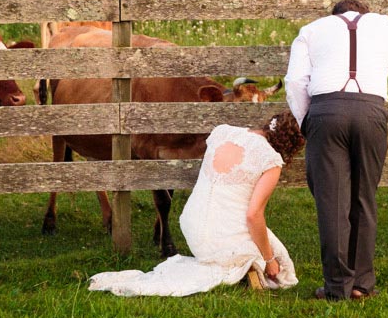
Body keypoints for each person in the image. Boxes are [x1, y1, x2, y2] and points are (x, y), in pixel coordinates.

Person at [285, 0, 388, 301]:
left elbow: (295, 81)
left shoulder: (311, 29)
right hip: (371, 111)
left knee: (331, 202)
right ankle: (362, 283)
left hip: (325, 110)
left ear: (334, 15)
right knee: (364, 197)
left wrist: (307, 120)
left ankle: (337, 287)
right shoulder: (384, 24)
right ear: (364, 13)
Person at [87, 110, 305, 296]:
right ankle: (248, 265)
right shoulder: (271, 161)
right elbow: (253, 215)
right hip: (219, 237)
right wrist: (269, 260)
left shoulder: (223, 132)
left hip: (190, 223)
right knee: (281, 267)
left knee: (269, 242)